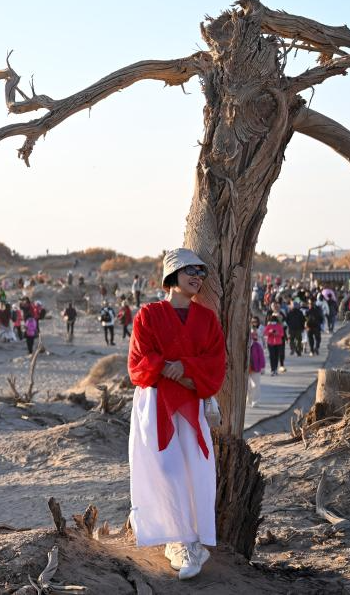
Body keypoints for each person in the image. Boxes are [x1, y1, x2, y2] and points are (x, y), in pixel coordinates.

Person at [128, 248, 225, 580]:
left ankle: (193, 539)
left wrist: (184, 368)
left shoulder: (207, 319)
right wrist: (166, 369)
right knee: (165, 470)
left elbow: (215, 363)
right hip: (155, 404)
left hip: (192, 404)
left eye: (201, 273)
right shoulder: (148, 315)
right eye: (190, 271)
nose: (197, 277)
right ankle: (177, 539)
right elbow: (138, 362)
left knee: (195, 470)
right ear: (172, 275)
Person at [247, 317, 266, 407]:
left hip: (256, 367)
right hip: (246, 368)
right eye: (252, 334)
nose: (254, 336)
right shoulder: (245, 345)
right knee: (248, 386)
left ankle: (255, 400)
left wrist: (262, 367)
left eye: (255, 334)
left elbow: (261, 357)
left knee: (255, 385)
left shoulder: (257, 345)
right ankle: (249, 398)